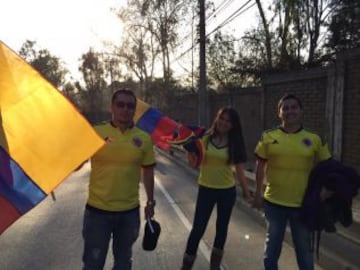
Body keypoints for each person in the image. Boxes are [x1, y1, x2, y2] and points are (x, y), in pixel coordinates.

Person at [252, 94, 331, 270]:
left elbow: (328, 167)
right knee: (271, 250)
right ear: (279, 113)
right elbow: (260, 167)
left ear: (301, 111)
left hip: (303, 205)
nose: (290, 111)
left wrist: (326, 190)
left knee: (304, 252)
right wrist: (258, 194)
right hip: (274, 203)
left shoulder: (315, 138)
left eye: (293, 107)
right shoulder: (268, 136)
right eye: (285, 108)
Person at [81, 88, 156, 270]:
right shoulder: (95, 133)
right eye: (120, 104)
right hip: (97, 212)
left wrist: (151, 201)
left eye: (130, 106)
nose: (125, 109)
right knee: (93, 264)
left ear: (134, 110)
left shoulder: (144, 138)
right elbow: (76, 163)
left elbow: (148, 171)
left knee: (123, 264)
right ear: (111, 107)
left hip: (129, 213)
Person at [180, 107, 253, 270]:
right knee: (198, 229)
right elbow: (193, 164)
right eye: (222, 118)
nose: (224, 123)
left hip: (227, 192)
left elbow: (240, 171)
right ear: (216, 119)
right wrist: (190, 151)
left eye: (228, 120)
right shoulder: (205, 137)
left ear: (233, 125)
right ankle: (185, 267)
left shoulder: (235, 143)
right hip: (206, 189)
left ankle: (215, 266)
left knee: (221, 230)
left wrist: (248, 194)